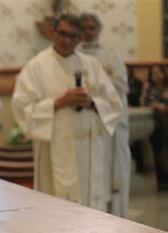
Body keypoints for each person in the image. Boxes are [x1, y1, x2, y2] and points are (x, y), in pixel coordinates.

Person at [11, 14, 123, 212]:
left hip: (87, 149)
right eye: (62, 34)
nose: (66, 40)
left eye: (73, 36)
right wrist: (59, 102)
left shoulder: (91, 65)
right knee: (55, 207)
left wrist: (92, 102)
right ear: (52, 33)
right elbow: (21, 107)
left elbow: (114, 104)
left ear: (80, 38)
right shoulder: (36, 66)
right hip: (54, 147)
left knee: (90, 207)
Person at [79, 12, 131, 217]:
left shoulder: (111, 56)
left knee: (113, 172)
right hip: (86, 123)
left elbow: (120, 87)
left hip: (111, 124)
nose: (88, 32)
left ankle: (116, 215)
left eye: (92, 28)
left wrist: (95, 89)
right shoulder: (74, 57)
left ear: (99, 30)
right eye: (84, 28)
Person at [140, 65, 168, 190]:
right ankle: (161, 181)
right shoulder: (148, 87)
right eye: (154, 73)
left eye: (159, 73)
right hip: (154, 124)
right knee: (158, 150)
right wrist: (158, 105)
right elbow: (144, 102)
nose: (157, 76)